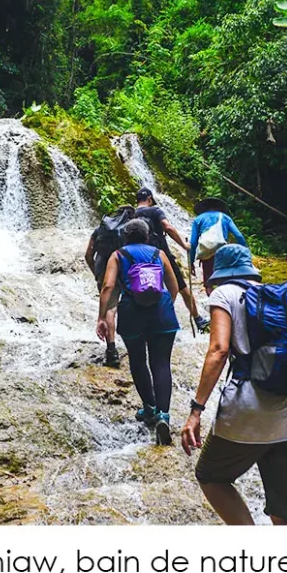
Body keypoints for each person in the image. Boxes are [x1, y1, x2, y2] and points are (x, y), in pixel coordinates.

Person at [180, 244, 287, 525]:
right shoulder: (286, 299)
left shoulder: (225, 294)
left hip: (249, 411)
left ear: (219, 272)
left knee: (211, 476)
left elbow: (219, 350)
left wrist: (196, 410)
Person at [98, 218, 181, 445]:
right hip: (162, 311)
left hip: (132, 312)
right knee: (162, 363)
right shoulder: (159, 254)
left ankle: (149, 408)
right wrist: (163, 305)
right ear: (147, 236)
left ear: (125, 237)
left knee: (138, 360)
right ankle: (164, 415)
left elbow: (107, 286)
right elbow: (173, 287)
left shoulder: (118, 255)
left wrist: (101, 317)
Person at [134, 188, 210, 332]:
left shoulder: (132, 214)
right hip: (162, 257)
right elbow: (167, 227)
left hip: (140, 258)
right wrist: (184, 245)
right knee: (181, 287)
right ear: (149, 199)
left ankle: (146, 321)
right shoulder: (155, 211)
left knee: (147, 288)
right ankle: (197, 319)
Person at [86, 205, 134, 368]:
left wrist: (97, 273)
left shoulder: (101, 228)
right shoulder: (129, 229)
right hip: (125, 270)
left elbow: (88, 255)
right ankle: (135, 345)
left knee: (110, 310)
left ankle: (111, 350)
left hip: (103, 270)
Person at [188, 198, 247, 296]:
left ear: (204, 208)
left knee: (208, 284)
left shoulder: (198, 219)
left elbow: (193, 243)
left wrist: (191, 262)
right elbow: (239, 236)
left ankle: (213, 305)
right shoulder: (225, 217)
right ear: (219, 208)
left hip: (206, 253)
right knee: (224, 281)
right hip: (222, 252)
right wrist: (244, 253)